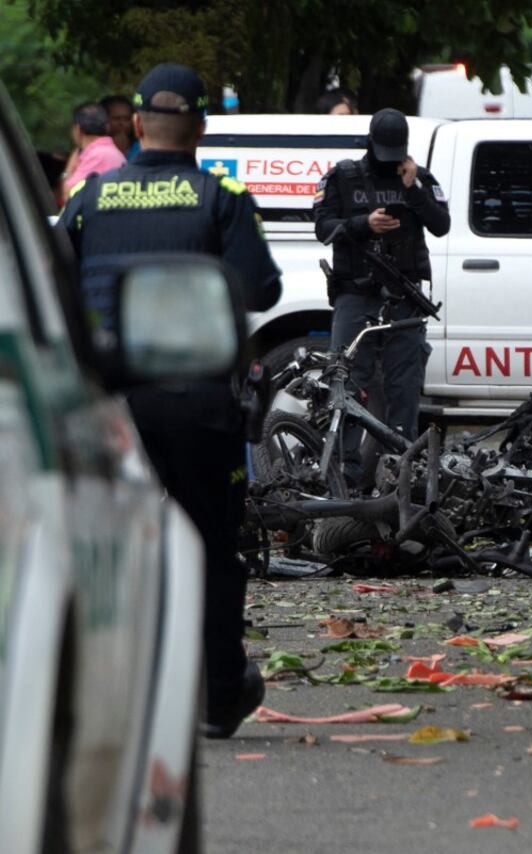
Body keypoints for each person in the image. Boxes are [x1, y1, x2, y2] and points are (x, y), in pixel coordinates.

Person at [57, 63, 282, 739]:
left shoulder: (90, 198)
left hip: (108, 405)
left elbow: (54, 289)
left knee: (101, 546)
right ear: (201, 127)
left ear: (136, 125)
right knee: (211, 547)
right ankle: (218, 693)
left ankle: (103, 694)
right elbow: (261, 290)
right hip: (199, 405)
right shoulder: (221, 197)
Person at [313, 108, 449, 486]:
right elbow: (322, 227)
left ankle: (400, 472)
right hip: (356, 295)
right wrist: (363, 224)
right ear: (371, 143)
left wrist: (413, 191)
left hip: (404, 300)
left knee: (404, 384)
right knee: (346, 381)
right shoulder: (343, 176)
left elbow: (441, 225)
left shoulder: (417, 178)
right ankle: (346, 476)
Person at [60, 102, 125, 200]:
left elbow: (69, 197)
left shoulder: (98, 155)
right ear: (107, 127)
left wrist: (69, 169)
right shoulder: (107, 151)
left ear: (77, 129)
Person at [100, 93, 139, 160]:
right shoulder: (94, 148)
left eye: (126, 119)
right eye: (116, 119)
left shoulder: (142, 148)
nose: (122, 123)